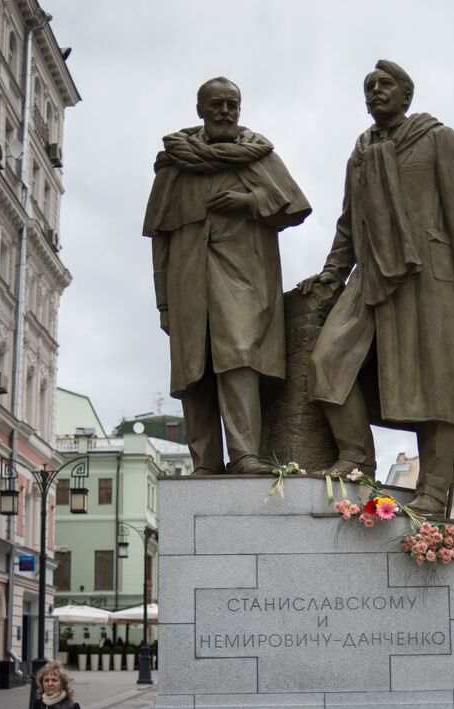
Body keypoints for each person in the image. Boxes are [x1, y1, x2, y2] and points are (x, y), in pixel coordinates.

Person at [300, 60, 454, 516]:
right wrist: (331, 273)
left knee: (435, 384)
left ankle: (434, 489)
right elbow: (349, 222)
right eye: (369, 86)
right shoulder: (360, 152)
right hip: (370, 276)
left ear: (406, 95)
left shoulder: (438, 138)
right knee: (328, 361)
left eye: (386, 85)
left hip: (429, 276)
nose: (376, 91)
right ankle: (357, 457)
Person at [143, 77, 311, 476]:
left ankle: (244, 455)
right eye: (216, 104)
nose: (225, 111)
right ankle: (205, 462)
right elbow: (160, 237)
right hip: (187, 283)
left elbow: (296, 207)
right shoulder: (175, 165)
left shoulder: (256, 156)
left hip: (243, 278)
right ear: (200, 109)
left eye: (232, 104)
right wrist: (163, 301)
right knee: (193, 370)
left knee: (237, 359)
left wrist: (249, 201)